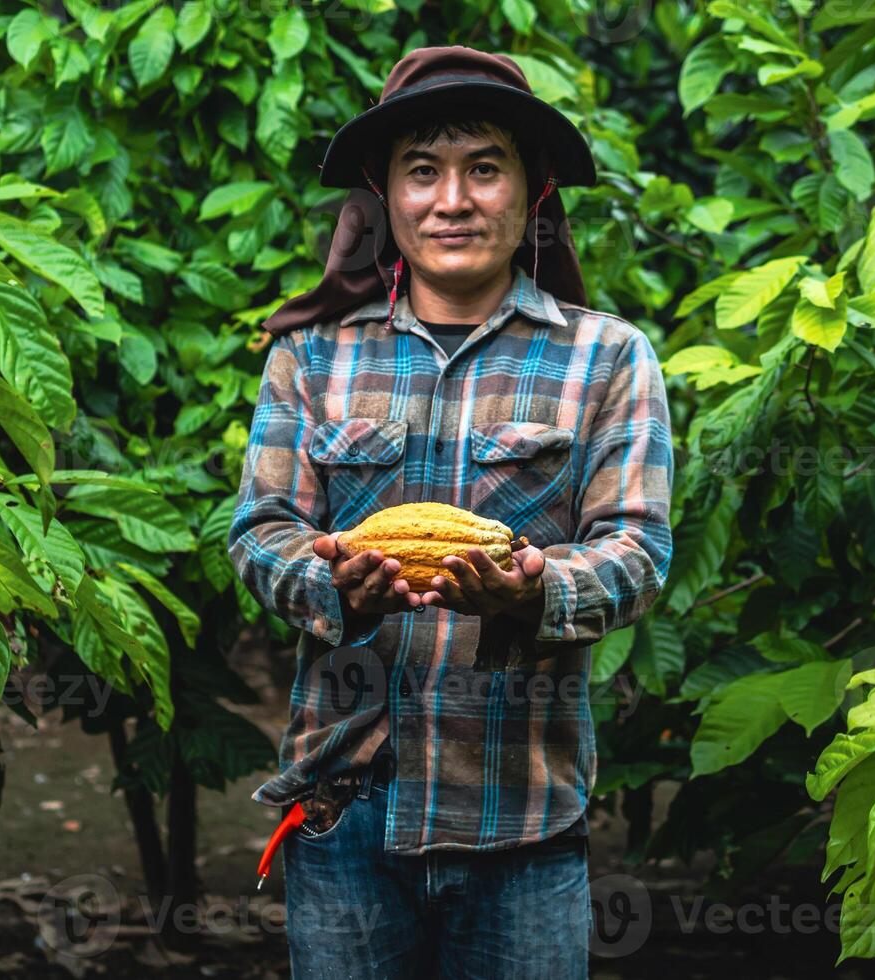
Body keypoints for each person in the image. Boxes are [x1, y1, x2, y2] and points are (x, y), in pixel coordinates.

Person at [228, 44, 674, 979]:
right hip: (343, 816)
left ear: (532, 190)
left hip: (520, 819)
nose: (452, 200)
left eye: (484, 168)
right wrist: (336, 586)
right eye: (421, 172)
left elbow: (637, 550)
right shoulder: (309, 358)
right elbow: (261, 533)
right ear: (385, 197)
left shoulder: (608, 358)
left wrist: (532, 590)